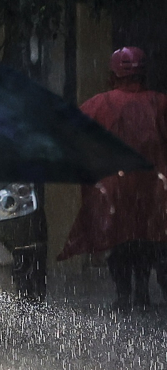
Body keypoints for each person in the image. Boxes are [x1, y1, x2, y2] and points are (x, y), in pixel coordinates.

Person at [59, 47, 167, 311]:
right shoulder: (160, 103)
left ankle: (124, 296)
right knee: (148, 240)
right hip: (153, 188)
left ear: (113, 74)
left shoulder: (98, 104)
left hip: (113, 189)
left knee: (120, 241)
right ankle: (142, 294)